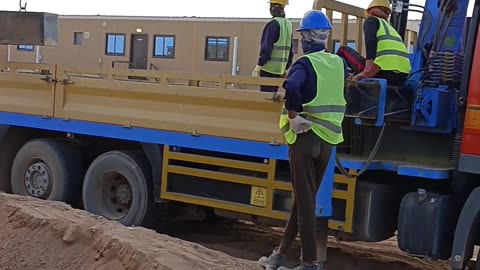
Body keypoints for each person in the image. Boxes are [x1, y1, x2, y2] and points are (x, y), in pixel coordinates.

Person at [258, 10, 348, 270]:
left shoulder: (305, 63)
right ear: (325, 36)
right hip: (328, 141)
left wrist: (294, 114)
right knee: (303, 199)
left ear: (307, 37)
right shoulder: (337, 63)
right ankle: (279, 254)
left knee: (306, 203)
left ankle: (309, 263)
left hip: (305, 139)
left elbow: (294, 87)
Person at [336, 0, 411, 86]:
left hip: (383, 72)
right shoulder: (391, 29)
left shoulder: (372, 21)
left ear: (370, 11)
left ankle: (338, 79)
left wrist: (366, 72)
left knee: (343, 50)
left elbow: (370, 42)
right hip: (402, 76)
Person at [252, 0, 294, 92]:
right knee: (274, 98)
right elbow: (290, 50)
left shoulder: (273, 24)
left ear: (274, 6)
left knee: (266, 98)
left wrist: (259, 66)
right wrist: (285, 68)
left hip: (268, 69)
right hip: (280, 70)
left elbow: (266, 48)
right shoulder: (288, 25)